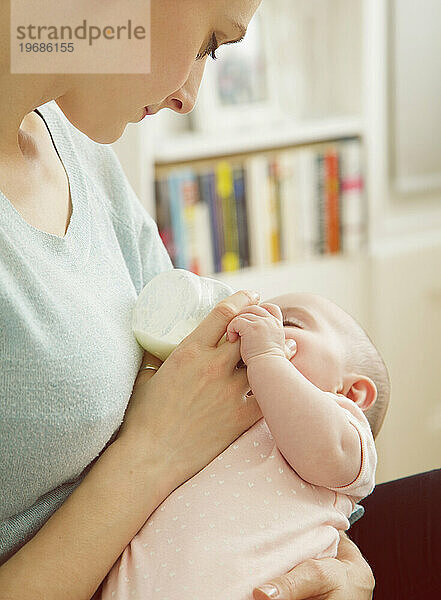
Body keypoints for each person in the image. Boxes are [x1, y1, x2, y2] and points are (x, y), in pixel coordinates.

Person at [0, 1, 375, 599]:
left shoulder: (80, 151)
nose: (189, 98)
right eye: (211, 42)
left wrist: (341, 565)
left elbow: (236, 418)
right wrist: (151, 455)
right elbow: (179, 425)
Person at [99, 292, 388, 600]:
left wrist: (268, 356)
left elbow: (326, 451)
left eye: (289, 323)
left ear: (353, 393)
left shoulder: (344, 428)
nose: (267, 320)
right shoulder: (220, 418)